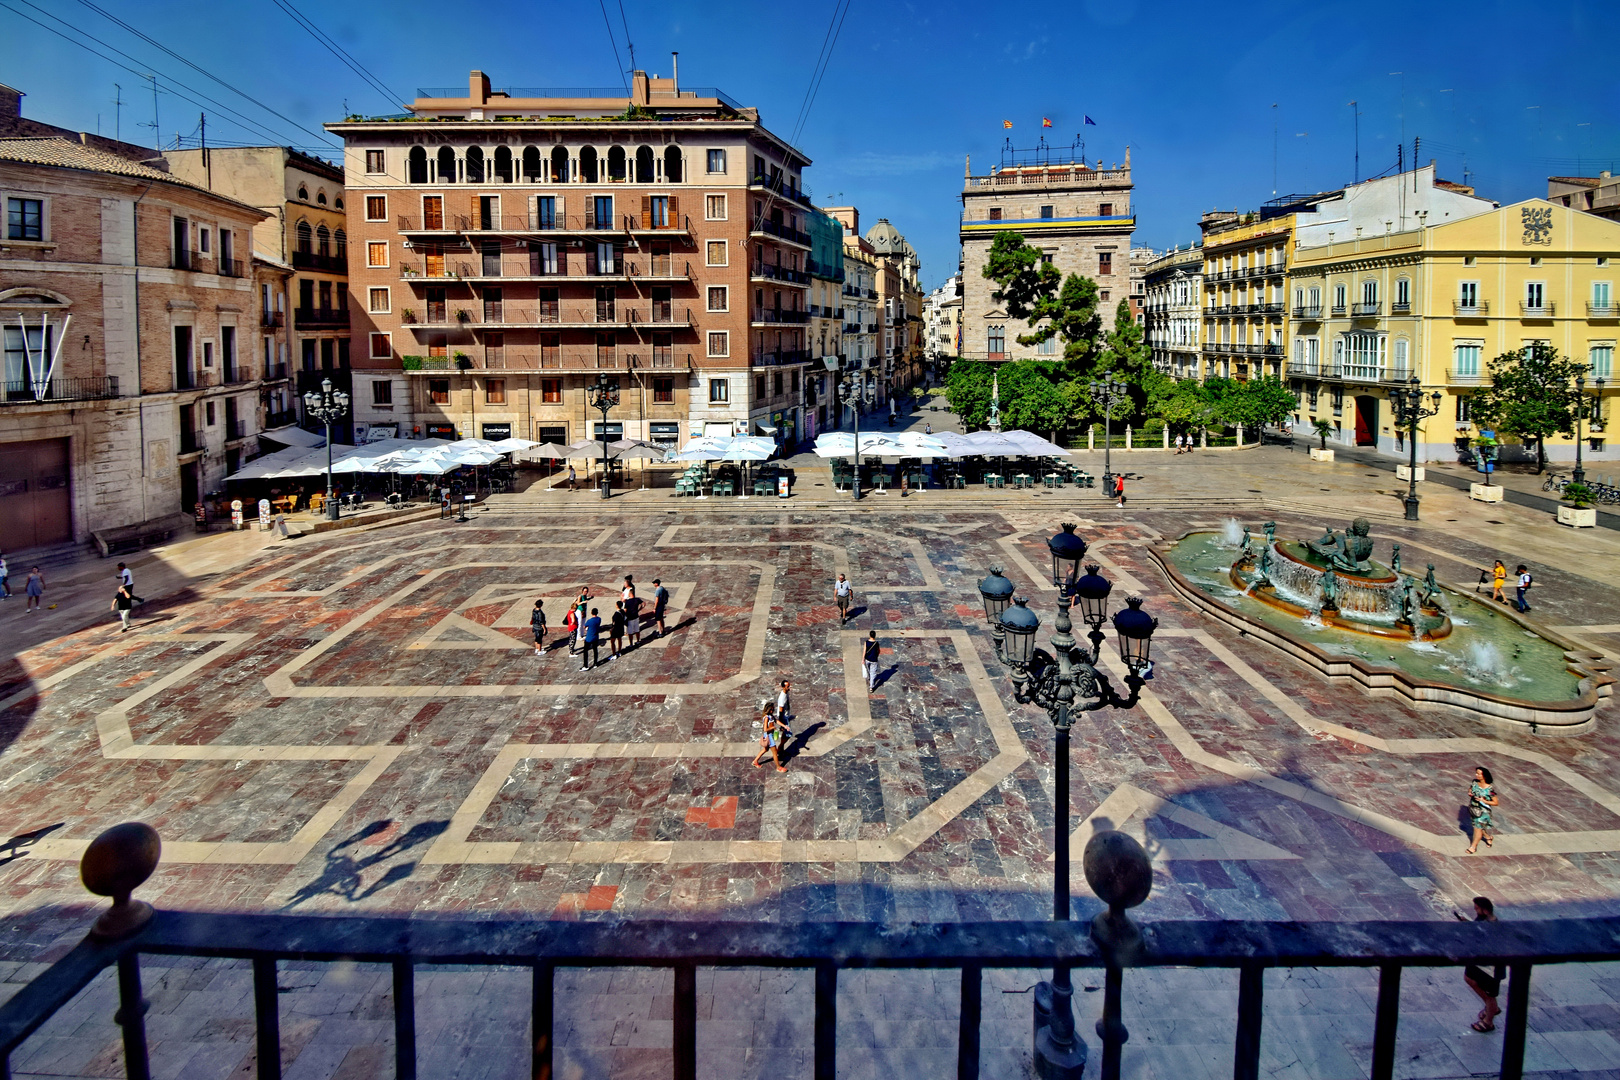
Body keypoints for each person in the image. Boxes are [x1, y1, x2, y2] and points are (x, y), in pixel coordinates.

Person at [1455, 897, 1504, 1032]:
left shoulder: (1492, 926)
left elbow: (1484, 940)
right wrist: (1469, 924)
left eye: (1477, 908)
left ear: (1486, 910)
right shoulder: (1482, 920)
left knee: (1490, 995)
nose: (1475, 910)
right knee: (1469, 978)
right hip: (1480, 962)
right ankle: (1492, 1008)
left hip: (1491, 968)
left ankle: (1488, 1022)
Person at [1466, 766, 1497, 854]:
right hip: (1474, 809)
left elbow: (1495, 802)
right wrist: (1470, 793)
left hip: (1483, 812)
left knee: (1477, 828)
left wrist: (1484, 800)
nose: (1477, 775)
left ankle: (1473, 847)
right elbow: (1471, 789)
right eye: (1476, 773)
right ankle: (1488, 837)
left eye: (1479, 774)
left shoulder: (1490, 789)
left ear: (1485, 776)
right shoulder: (1475, 782)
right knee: (1479, 828)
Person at [753, 705, 788, 772]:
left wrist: (784, 726)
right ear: (767, 710)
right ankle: (778, 767)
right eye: (770, 710)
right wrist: (772, 728)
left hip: (770, 735)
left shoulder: (771, 716)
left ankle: (755, 761)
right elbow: (765, 729)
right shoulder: (766, 718)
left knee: (765, 749)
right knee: (775, 752)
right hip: (769, 736)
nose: (772, 711)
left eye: (772, 709)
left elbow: (776, 721)